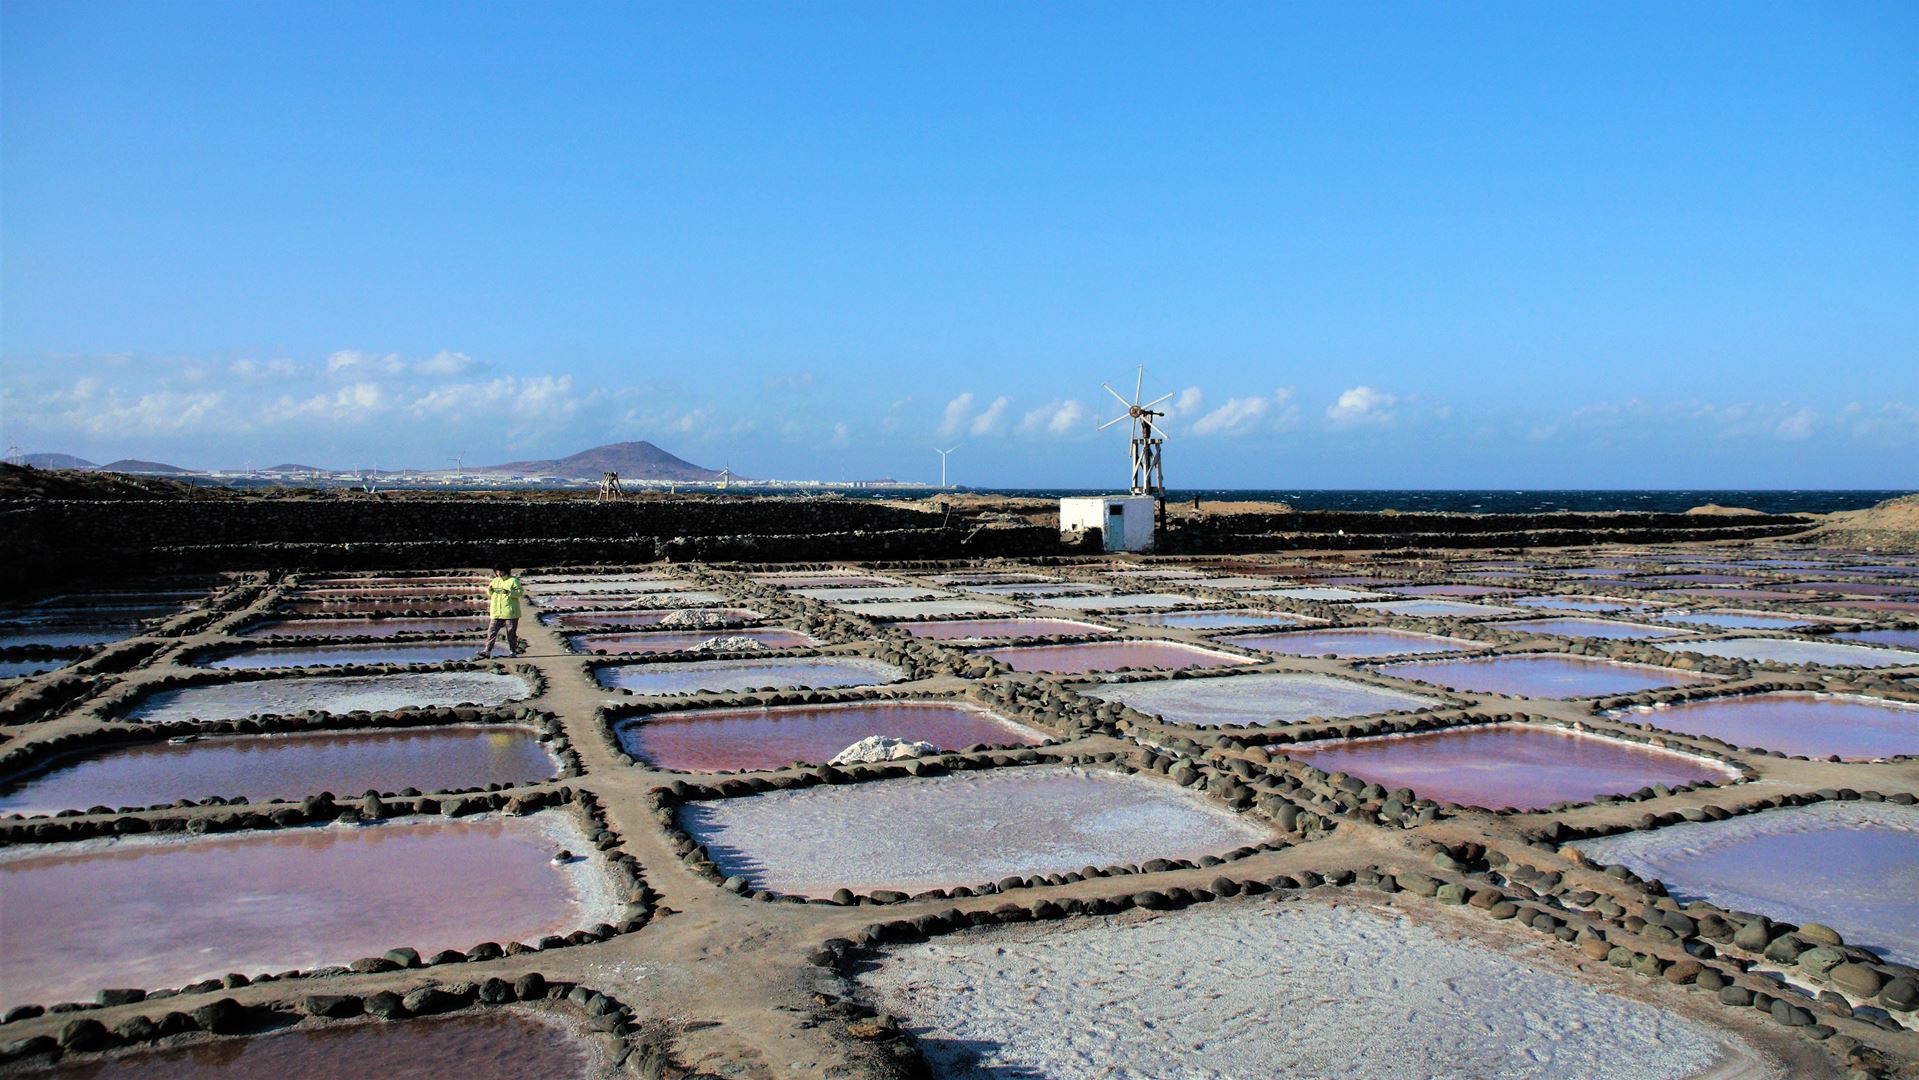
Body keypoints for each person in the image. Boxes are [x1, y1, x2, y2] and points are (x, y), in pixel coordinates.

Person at [480, 565, 525, 657]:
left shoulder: (513, 581)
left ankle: (513, 652)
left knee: (511, 633)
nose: (498, 573)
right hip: (496, 612)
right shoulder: (495, 580)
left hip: (510, 613)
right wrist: (490, 590)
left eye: (500, 571)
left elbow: (520, 592)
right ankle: (487, 651)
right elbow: (490, 594)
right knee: (491, 631)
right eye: (497, 571)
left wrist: (508, 592)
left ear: (506, 571)